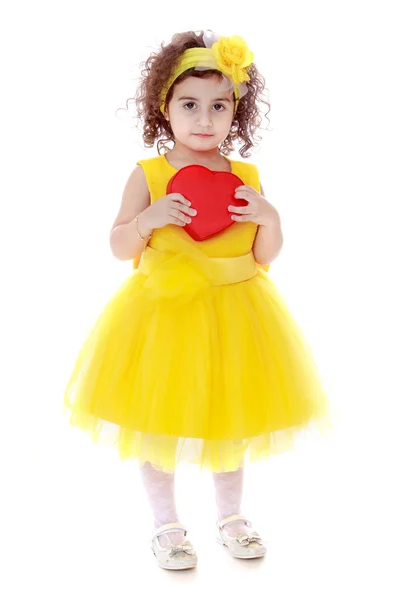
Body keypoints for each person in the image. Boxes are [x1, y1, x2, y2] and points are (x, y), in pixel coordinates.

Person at [64, 30, 335, 570]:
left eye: (220, 106)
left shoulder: (246, 177)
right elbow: (119, 246)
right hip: (164, 317)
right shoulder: (151, 175)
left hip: (237, 313)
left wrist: (270, 218)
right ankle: (166, 524)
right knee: (156, 420)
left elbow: (265, 255)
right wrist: (146, 220)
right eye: (190, 105)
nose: (205, 120)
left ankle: (231, 517)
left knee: (229, 421)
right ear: (165, 108)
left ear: (238, 112)